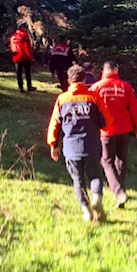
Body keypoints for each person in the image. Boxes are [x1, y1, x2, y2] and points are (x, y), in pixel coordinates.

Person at [47, 65, 113, 222]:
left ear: (69, 81)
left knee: (78, 180)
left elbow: (54, 125)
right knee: (95, 176)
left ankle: (86, 210)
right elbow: (107, 122)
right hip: (91, 146)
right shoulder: (94, 97)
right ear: (84, 79)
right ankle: (97, 198)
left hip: (71, 148)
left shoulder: (62, 99)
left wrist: (53, 145)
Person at [90, 60, 137, 208]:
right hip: (124, 130)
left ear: (103, 71)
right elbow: (135, 109)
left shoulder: (96, 87)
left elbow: (91, 111)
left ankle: (119, 193)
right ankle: (120, 194)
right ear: (117, 71)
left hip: (106, 131)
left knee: (106, 161)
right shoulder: (125, 87)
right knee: (121, 161)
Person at [9, 24, 36, 93]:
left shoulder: (13, 37)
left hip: (16, 57)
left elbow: (12, 47)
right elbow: (27, 48)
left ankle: (20, 87)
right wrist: (31, 57)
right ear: (23, 28)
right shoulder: (24, 36)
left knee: (19, 73)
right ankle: (29, 86)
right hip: (24, 57)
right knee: (27, 72)